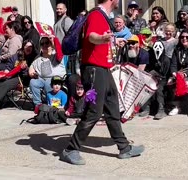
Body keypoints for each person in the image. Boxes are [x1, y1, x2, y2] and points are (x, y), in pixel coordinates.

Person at [61, 0, 144, 166]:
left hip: (104, 70)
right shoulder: (97, 15)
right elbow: (92, 36)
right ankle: (71, 149)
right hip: (93, 72)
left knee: (113, 108)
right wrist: (102, 38)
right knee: (93, 111)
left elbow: (100, 41)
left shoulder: (105, 17)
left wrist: (113, 42)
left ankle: (124, 148)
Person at [0, 45, 29, 116]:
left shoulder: (33, 57)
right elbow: (9, 67)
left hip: (21, 78)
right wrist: (6, 72)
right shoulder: (16, 56)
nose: (28, 49)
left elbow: (28, 73)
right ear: (23, 47)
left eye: (30, 47)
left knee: (6, 84)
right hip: (11, 76)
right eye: (27, 47)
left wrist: (24, 69)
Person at [29, 36, 65, 106]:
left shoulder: (56, 54)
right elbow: (32, 67)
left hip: (56, 78)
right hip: (42, 79)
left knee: (49, 82)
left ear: (51, 44)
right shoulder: (38, 58)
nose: (44, 45)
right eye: (42, 43)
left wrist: (54, 40)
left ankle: (52, 103)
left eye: (47, 43)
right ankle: (38, 105)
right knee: (33, 82)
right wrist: (32, 73)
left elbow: (60, 54)